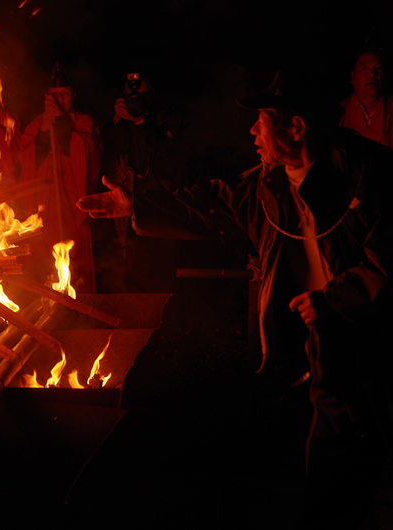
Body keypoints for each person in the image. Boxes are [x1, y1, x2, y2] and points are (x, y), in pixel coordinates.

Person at [78, 70, 393, 527]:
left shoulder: (371, 178)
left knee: (360, 462)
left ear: (297, 127)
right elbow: (212, 202)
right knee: (320, 470)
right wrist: (134, 204)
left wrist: (335, 299)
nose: (252, 130)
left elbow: (388, 264)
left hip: (367, 353)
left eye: (262, 120)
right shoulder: (270, 183)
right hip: (306, 353)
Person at [20, 62, 102, 293]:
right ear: (46, 97)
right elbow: (24, 158)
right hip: (43, 210)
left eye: (64, 94)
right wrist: (45, 131)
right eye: (54, 95)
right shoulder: (38, 123)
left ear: (73, 96)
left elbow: (87, 155)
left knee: (76, 266)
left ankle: (80, 311)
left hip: (71, 209)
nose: (59, 99)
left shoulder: (84, 121)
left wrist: (62, 123)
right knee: (41, 263)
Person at [101, 73, 183, 292]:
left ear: (152, 93)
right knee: (133, 253)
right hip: (131, 190)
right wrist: (118, 121)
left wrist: (141, 122)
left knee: (162, 250)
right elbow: (114, 148)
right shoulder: (124, 119)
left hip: (161, 191)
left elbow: (164, 151)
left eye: (142, 95)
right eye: (131, 96)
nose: (136, 101)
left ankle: (168, 299)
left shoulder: (166, 114)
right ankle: (136, 297)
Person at [340, 49, 392, 148]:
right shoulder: (339, 111)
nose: (372, 74)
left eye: (378, 68)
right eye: (364, 68)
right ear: (353, 76)